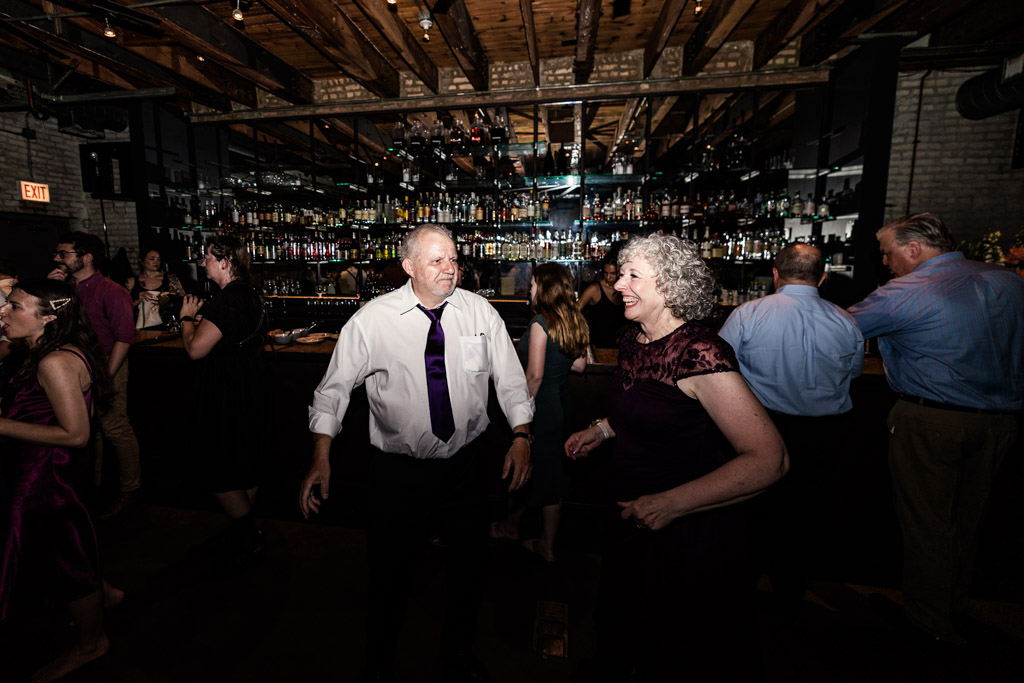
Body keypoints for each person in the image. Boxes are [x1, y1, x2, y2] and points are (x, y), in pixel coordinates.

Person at [300, 225, 533, 682]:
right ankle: (380, 659)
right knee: (389, 573)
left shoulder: (479, 312)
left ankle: (457, 655)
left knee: (469, 570)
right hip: (397, 474)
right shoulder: (373, 320)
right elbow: (332, 391)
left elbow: (510, 380)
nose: (450, 269)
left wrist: (522, 436)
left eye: (453, 259)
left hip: (467, 467)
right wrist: (321, 455)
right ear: (408, 266)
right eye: (437, 261)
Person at [564, 233, 788, 682]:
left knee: (671, 647)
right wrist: (603, 430)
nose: (617, 285)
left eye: (632, 276)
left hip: (685, 530)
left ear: (668, 286)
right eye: (620, 274)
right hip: (631, 514)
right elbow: (646, 409)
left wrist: (671, 503)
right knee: (620, 622)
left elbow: (770, 460)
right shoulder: (633, 340)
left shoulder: (699, 352)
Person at [848, 213, 1024, 643]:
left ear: (913, 249)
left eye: (888, 254)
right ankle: (955, 606)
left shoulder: (904, 290)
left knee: (927, 524)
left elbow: (834, 331)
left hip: (931, 420)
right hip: (1001, 423)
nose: (885, 263)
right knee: (968, 521)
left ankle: (926, 624)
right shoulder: (1009, 282)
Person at [719, 243, 864, 614]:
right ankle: (790, 599)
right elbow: (853, 376)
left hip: (764, 428)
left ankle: (739, 597)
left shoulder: (749, 313)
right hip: (826, 435)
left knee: (752, 514)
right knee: (806, 517)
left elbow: (718, 372)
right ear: (823, 278)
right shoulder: (846, 321)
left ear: (776, 274)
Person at [0, 279, 121, 681]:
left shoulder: (54, 362)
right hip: (45, 470)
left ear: (49, 317)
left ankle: (92, 643)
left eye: (14, 307)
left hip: (48, 475)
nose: (4, 312)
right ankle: (104, 595)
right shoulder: (44, 351)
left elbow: (76, 434)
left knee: (68, 555)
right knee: (65, 547)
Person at [490, 263, 589, 562]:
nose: (528, 289)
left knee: (533, 472)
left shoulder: (540, 323)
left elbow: (533, 375)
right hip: (561, 405)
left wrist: (523, 416)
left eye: (532, 284)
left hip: (541, 409)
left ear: (544, 288)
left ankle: (530, 537)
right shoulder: (573, 319)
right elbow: (580, 365)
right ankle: (528, 533)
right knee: (549, 474)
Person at [179, 235, 268, 559]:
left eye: (207, 257)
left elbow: (195, 349)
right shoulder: (250, 294)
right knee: (244, 460)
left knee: (217, 466)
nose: (203, 262)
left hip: (225, 393)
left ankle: (247, 531)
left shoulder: (226, 300)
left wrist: (187, 318)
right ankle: (245, 529)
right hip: (248, 388)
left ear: (225, 262)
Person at [48, 232, 141, 520]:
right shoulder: (66, 288)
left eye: (64, 253)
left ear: (86, 257)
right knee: (88, 429)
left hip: (107, 362)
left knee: (115, 427)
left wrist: (106, 377)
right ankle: (92, 488)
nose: (57, 258)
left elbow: (124, 339)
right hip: (74, 364)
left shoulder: (111, 291)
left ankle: (130, 490)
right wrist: (50, 290)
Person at [126, 248, 185, 329]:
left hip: (165, 326)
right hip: (140, 327)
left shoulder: (170, 279)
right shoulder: (132, 281)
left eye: (158, 259)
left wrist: (168, 300)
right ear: (142, 261)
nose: (156, 262)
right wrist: (138, 300)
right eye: (152, 259)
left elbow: (184, 301)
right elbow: (122, 308)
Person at [577, 254, 625, 348]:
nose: (608, 277)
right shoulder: (594, 289)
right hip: (596, 345)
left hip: (618, 346)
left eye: (612, 273)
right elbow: (574, 311)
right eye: (605, 272)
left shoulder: (624, 289)